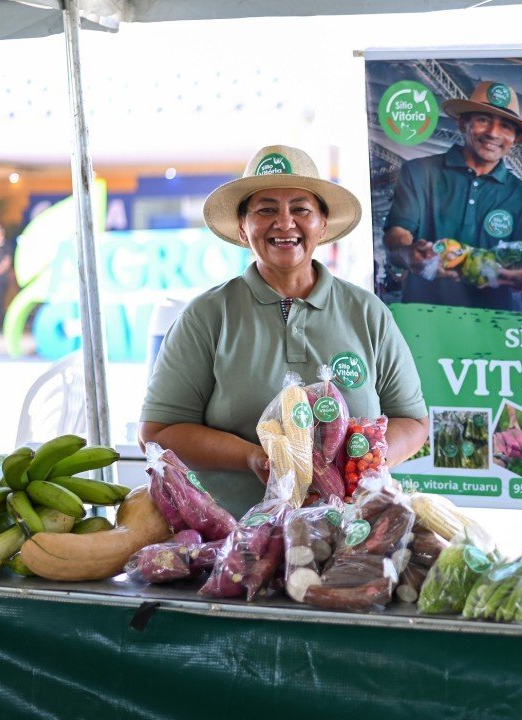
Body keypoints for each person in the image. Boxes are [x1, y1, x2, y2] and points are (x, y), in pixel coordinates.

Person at [139, 145, 429, 516]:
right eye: (266, 210)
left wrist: (363, 461)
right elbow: (158, 431)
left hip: (353, 531)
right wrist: (254, 458)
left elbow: (414, 421)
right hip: (233, 538)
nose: (285, 222)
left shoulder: (367, 313)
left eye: (301, 209)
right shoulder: (208, 315)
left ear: (322, 225)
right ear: (243, 229)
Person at [383, 80, 522, 311]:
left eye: (506, 126)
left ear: (515, 139)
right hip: (424, 318)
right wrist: (410, 255)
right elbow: (397, 235)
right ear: (463, 123)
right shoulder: (420, 172)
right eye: (483, 120)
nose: (493, 133)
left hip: (495, 325)